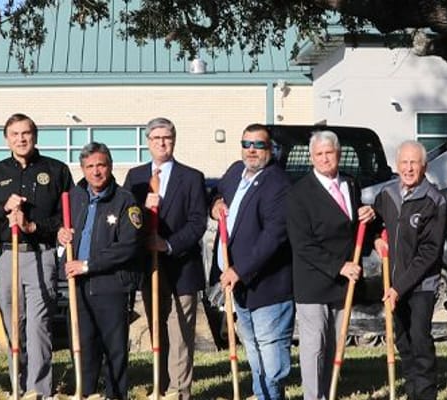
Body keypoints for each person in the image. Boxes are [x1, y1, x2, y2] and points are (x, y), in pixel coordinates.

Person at [0, 113, 73, 396]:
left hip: (40, 256)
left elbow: (66, 217)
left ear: (35, 136)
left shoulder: (56, 170)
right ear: (6, 139)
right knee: (13, 328)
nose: (21, 139)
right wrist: (3, 209)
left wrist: (33, 226)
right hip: (6, 258)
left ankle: (39, 390)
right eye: (15, 134)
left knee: (39, 327)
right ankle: (17, 385)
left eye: (26, 134)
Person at [123, 117, 210, 396]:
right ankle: (160, 386)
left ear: (174, 140)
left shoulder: (192, 177)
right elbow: (128, 220)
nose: (162, 142)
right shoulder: (135, 178)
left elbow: (198, 222)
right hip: (150, 269)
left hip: (181, 267)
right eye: (156, 138)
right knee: (157, 331)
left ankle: (179, 390)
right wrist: (143, 209)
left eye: (167, 137)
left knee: (180, 333)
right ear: (148, 142)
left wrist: (169, 245)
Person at [284, 130, 374, 400]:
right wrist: (339, 266)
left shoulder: (350, 184)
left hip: (343, 282)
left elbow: (354, 227)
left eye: (329, 153)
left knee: (336, 342)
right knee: (314, 345)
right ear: (311, 158)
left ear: (338, 153)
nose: (325, 158)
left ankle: (329, 391)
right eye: (319, 154)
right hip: (313, 279)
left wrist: (368, 215)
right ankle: (314, 396)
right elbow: (302, 244)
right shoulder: (299, 193)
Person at [213, 124, 296, 400]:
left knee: (271, 353)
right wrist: (214, 205)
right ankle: (261, 395)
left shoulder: (278, 183)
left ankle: (271, 397)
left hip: (268, 285)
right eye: (246, 143)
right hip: (239, 287)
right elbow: (216, 195)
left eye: (259, 145)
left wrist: (240, 269)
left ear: (270, 149)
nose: (251, 150)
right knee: (252, 348)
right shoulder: (236, 171)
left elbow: (274, 236)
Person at [59, 143, 145, 399]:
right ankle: (84, 393)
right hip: (79, 287)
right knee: (83, 347)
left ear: (110, 166)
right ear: (82, 169)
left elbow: (129, 246)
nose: (96, 172)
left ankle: (116, 395)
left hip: (111, 286)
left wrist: (89, 264)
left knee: (114, 349)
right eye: (90, 166)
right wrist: (60, 235)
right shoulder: (74, 197)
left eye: (101, 165)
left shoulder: (124, 200)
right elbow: (63, 229)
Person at [371, 140, 447, 400]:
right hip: (393, 283)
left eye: (414, 162)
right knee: (402, 340)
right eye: (404, 162)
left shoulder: (433, 201)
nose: (408, 168)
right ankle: (412, 390)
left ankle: (425, 394)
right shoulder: (388, 194)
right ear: (397, 165)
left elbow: (429, 253)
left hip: (420, 286)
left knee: (419, 340)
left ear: (424, 166)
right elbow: (373, 218)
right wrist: (375, 237)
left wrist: (398, 288)